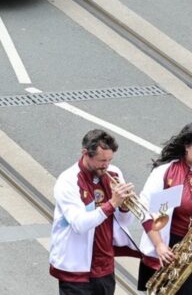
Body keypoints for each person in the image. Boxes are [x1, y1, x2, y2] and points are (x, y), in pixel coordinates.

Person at [49, 129, 144, 295]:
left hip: (104, 266)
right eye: (102, 160)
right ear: (85, 153)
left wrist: (124, 207)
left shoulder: (114, 173)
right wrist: (112, 204)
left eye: (109, 160)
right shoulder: (68, 181)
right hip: (75, 269)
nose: (106, 165)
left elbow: (124, 222)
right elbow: (79, 224)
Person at [137, 123, 192, 293]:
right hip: (170, 249)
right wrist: (159, 245)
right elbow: (148, 212)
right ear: (187, 146)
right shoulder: (170, 174)